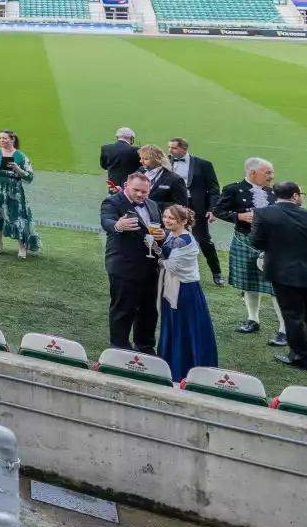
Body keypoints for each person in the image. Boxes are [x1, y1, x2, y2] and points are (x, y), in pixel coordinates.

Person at [251, 181, 307, 370]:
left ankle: (300, 356)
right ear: (295, 196)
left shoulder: (263, 214)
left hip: (282, 272)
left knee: (292, 315)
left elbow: (256, 241)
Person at [215, 157, 287, 345]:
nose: (271, 176)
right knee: (248, 283)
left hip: (272, 243)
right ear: (252, 173)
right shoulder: (233, 189)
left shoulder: (274, 192)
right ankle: (253, 320)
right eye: (268, 172)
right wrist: (238, 216)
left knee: (275, 287)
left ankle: (284, 329)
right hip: (244, 241)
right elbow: (218, 211)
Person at [154, 205, 217, 382]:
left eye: (171, 218)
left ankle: (183, 367)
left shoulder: (183, 240)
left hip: (184, 290)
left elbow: (171, 265)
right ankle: (172, 364)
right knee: (175, 325)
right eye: (165, 217)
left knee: (184, 327)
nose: (166, 220)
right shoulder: (172, 236)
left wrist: (157, 254)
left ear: (183, 221)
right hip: (175, 287)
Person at [101, 173, 163, 353]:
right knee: (123, 308)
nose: (140, 195)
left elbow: (157, 230)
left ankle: (145, 346)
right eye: (136, 190)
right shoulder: (113, 202)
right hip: (124, 265)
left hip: (151, 267)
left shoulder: (152, 205)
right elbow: (107, 221)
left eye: (144, 191)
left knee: (149, 310)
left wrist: (162, 235)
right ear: (126, 185)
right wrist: (117, 226)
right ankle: (119, 346)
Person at [167, 138, 222, 284]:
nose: (170, 151)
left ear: (184, 148)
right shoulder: (166, 162)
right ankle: (173, 270)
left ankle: (216, 273)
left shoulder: (203, 164)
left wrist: (212, 209)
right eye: (169, 148)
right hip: (176, 206)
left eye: (173, 148)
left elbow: (214, 189)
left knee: (203, 240)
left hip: (197, 206)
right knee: (174, 238)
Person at [0, 129, 39, 260]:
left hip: (14, 191)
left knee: (17, 217)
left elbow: (29, 176)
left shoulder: (20, 156)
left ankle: (21, 247)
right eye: (0, 138)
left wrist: (17, 168)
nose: (2, 141)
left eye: (4, 138)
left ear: (12, 139)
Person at [138, 144, 186, 211]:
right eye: (141, 158)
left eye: (145, 159)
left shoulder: (175, 179)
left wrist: (152, 204)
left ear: (157, 160)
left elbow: (181, 205)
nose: (141, 161)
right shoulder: (140, 171)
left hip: (162, 218)